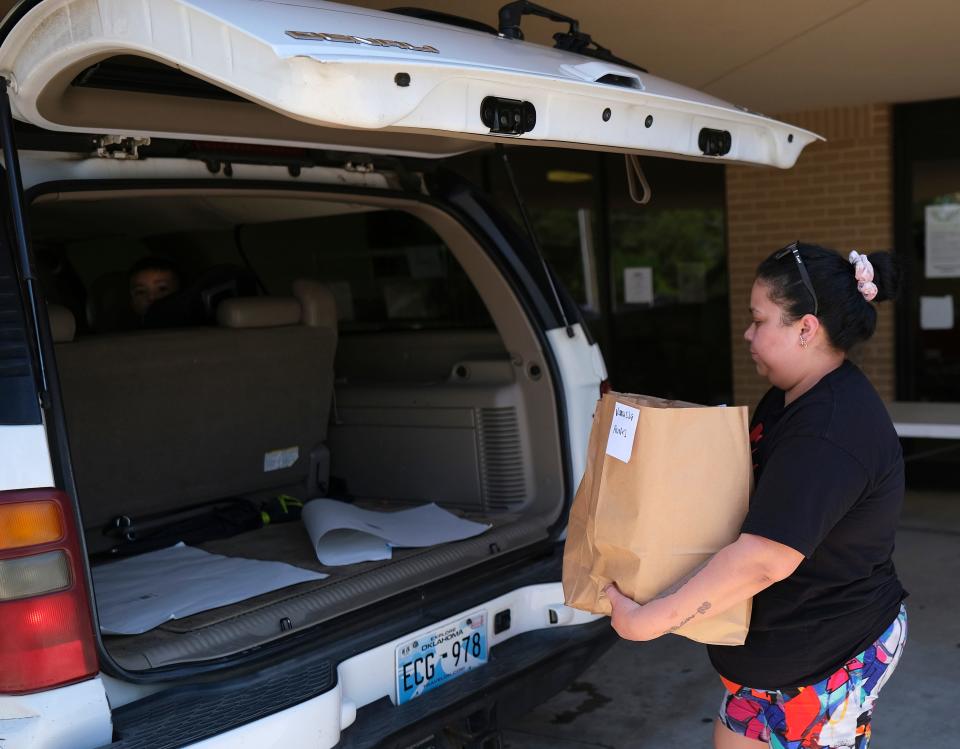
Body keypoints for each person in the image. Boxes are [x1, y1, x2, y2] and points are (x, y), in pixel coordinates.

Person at [604, 242, 907, 749]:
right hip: (775, 656)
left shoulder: (829, 431)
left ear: (805, 328)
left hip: (824, 654)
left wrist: (649, 621)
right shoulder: (794, 395)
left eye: (759, 319)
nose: (747, 333)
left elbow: (765, 559)